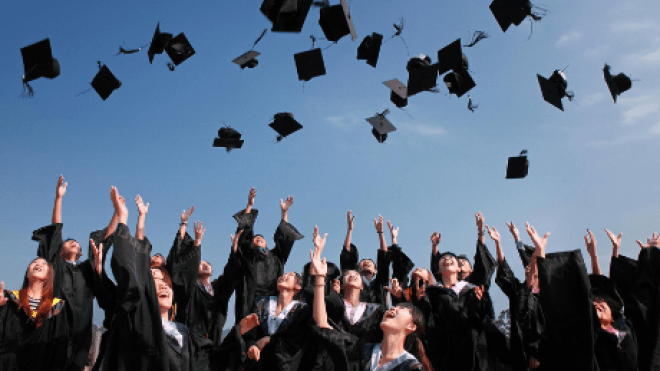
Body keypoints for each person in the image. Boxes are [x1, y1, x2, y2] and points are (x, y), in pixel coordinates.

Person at [96, 188, 212, 371]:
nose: (163, 286)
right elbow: (134, 264)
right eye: (154, 282)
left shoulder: (183, 334)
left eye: (166, 282)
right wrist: (125, 219)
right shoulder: (136, 320)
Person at [309, 227, 432, 371]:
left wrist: (385, 236)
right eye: (395, 306)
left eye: (401, 308)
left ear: (411, 326)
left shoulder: (411, 367)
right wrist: (319, 278)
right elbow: (324, 325)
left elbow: (385, 264)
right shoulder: (362, 351)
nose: (392, 307)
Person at [32, 176, 118, 371]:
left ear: (80, 252)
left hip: (81, 330)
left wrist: (117, 213)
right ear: (61, 250)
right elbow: (55, 231)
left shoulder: (86, 269)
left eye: (77, 244)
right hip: (54, 326)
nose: (74, 243)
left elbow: (105, 241)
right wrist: (58, 198)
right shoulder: (56, 266)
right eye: (68, 242)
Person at [166, 206, 238, 345]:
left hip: (213, 340)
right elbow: (180, 263)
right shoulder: (191, 288)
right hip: (190, 342)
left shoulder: (219, 288)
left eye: (207, 264)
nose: (204, 265)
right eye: (201, 263)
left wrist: (234, 250)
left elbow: (230, 274)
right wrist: (193, 238)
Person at [231, 188, 304, 324]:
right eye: (255, 238)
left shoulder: (276, 257)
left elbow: (284, 237)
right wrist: (249, 205)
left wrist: (284, 213)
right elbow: (243, 233)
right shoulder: (247, 256)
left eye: (261, 238)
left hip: (272, 301)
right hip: (249, 301)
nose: (258, 238)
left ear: (266, 243)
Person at [488, 223, 544, 371]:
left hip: (546, 353)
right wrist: (498, 242)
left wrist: (538, 354)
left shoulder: (548, 294)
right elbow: (504, 267)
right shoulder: (518, 291)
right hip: (521, 353)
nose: (527, 266)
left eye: (532, 264)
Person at [0, 258, 69, 371]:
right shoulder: (8, 299)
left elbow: (59, 348)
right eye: (34, 263)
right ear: (27, 273)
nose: (38, 264)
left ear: (49, 275)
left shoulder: (57, 307)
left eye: (43, 264)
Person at [240, 270, 312, 371]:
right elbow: (249, 333)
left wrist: (270, 340)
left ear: (298, 287)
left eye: (290, 275)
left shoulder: (302, 310)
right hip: (258, 364)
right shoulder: (261, 303)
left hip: (283, 366)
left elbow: (296, 341)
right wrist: (251, 345)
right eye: (283, 274)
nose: (284, 276)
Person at [340, 214, 392, 306]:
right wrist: (350, 230)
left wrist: (380, 233)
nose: (367, 262)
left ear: (375, 270)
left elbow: (384, 259)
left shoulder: (380, 284)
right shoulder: (352, 281)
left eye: (370, 263)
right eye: (363, 262)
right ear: (358, 269)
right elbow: (346, 257)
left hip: (377, 318)